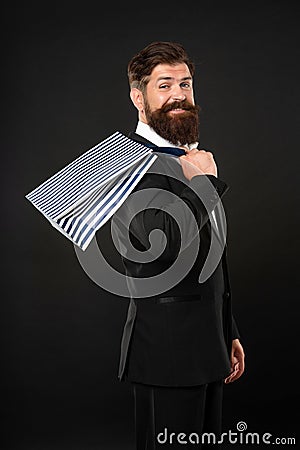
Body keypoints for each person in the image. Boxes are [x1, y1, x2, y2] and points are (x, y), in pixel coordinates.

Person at [112, 41, 245, 449]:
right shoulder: (124, 164)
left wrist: (227, 330)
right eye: (164, 85)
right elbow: (163, 247)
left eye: (185, 84)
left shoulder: (188, 156)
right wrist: (204, 184)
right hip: (166, 356)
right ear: (139, 96)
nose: (179, 96)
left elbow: (208, 256)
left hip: (208, 347)